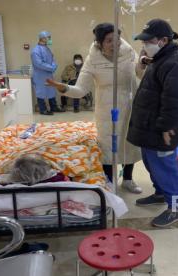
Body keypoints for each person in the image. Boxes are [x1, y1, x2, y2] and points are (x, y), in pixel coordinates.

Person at [46, 23, 144, 194]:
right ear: (99, 43)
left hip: (130, 104)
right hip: (106, 108)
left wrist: (143, 63)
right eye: (109, 41)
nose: (115, 44)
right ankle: (109, 181)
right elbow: (81, 90)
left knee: (130, 143)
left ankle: (128, 179)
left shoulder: (129, 52)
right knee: (107, 145)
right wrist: (63, 88)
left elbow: (139, 73)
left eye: (117, 39)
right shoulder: (92, 61)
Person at [127, 19, 178, 227]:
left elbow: (176, 101)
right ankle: (160, 193)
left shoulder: (175, 63)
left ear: (164, 40)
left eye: (148, 41)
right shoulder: (161, 58)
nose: (145, 45)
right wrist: (147, 62)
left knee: (165, 166)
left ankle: (175, 208)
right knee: (151, 162)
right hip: (151, 126)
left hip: (163, 128)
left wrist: (167, 128)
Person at [31, 31, 63, 115]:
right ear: (42, 38)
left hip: (49, 74)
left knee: (51, 90)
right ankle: (43, 109)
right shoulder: (35, 51)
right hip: (40, 76)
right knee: (41, 92)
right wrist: (51, 67)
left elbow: (52, 60)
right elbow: (38, 63)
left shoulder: (47, 49)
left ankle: (54, 107)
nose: (50, 39)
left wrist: (54, 66)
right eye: (49, 37)